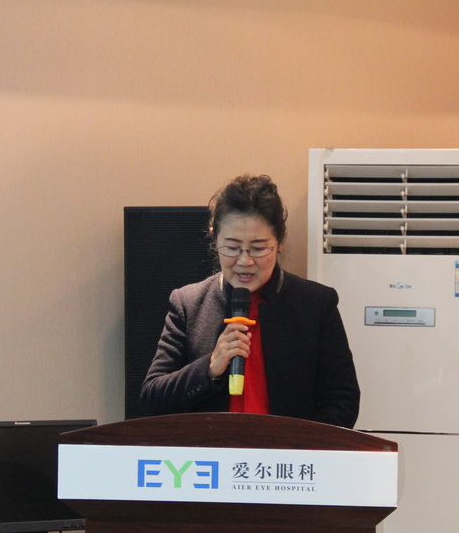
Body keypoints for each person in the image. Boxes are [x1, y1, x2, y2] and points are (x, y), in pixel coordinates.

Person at [140, 174, 360, 428]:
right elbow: (152, 398)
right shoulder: (188, 303)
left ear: (280, 241)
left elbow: (343, 400)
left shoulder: (316, 304)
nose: (245, 261)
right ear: (214, 238)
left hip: (286, 451)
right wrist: (209, 367)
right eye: (232, 247)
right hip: (211, 450)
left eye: (258, 248)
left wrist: (300, 445)